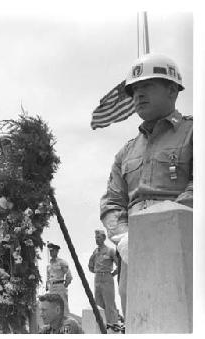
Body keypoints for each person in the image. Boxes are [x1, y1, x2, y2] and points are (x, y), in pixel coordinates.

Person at [100, 53, 192, 317]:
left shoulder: (195, 133)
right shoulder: (125, 153)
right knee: (141, 320)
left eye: (147, 86)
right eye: (135, 89)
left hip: (187, 244)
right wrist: (124, 238)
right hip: (134, 252)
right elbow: (112, 203)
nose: (138, 94)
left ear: (172, 90)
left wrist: (167, 225)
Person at [88, 229, 118, 325]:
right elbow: (90, 266)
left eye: (99, 237)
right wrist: (97, 272)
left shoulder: (110, 251)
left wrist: (112, 274)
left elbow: (119, 265)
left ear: (104, 238)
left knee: (109, 304)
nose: (96, 239)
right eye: (96, 237)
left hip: (107, 278)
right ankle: (101, 327)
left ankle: (113, 326)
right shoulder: (95, 252)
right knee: (98, 305)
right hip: (97, 278)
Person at [46, 242, 72, 315]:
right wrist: (48, 287)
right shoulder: (49, 265)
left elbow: (69, 275)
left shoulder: (62, 262)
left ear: (57, 251)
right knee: (52, 308)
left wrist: (65, 285)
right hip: (52, 288)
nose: (51, 253)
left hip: (60, 286)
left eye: (53, 251)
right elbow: (48, 278)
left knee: (63, 307)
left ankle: (66, 325)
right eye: (50, 251)